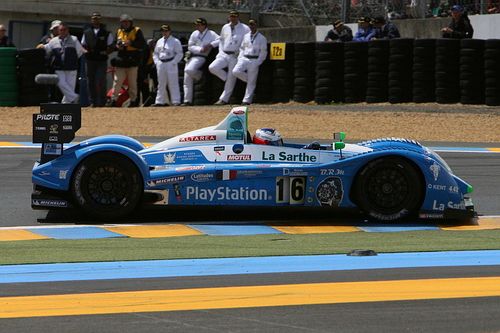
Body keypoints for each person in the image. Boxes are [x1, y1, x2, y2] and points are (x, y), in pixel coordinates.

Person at [209, 10, 250, 105]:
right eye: (231, 16)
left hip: (235, 55)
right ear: (229, 17)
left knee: (232, 77)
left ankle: (223, 99)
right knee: (212, 67)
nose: (233, 18)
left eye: (235, 16)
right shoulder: (225, 27)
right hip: (224, 54)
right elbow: (221, 41)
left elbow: (247, 42)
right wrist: (220, 52)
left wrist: (240, 53)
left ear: (238, 17)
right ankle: (228, 79)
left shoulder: (245, 28)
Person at [107, 14, 146, 107]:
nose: (125, 23)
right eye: (123, 22)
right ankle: (113, 100)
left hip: (132, 61)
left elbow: (142, 44)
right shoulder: (119, 31)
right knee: (117, 82)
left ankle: (133, 101)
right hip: (121, 61)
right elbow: (113, 45)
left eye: (127, 22)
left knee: (132, 83)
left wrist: (131, 43)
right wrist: (117, 46)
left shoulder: (137, 31)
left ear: (130, 22)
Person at [42, 22, 85, 103]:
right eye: (61, 30)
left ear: (68, 30)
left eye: (65, 30)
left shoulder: (74, 39)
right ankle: (75, 97)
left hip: (71, 67)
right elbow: (47, 48)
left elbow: (79, 52)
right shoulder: (53, 41)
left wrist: (71, 59)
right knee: (61, 83)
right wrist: (41, 46)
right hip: (59, 67)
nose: (63, 31)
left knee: (70, 88)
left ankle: (65, 104)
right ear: (58, 31)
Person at [182, 18, 219, 106]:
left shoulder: (211, 33)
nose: (197, 26)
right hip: (191, 55)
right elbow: (190, 46)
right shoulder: (194, 33)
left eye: (199, 25)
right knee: (186, 79)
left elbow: (220, 39)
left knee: (189, 70)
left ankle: (200, 76)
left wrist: (210, 45)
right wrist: (200, 49)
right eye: (197, 25)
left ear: (204, 25)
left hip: (201, 57)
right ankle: (187, 100)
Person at [81, 12, 114, 107]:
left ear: (100, 20)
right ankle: (93, 102)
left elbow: (111, 46)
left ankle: (102, 102)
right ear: (91, 20)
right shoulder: (86, 32)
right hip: (90, 60)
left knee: (101, 80)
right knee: (90, 81)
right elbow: (83, 45)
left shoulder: (106, 33)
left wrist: (106, 52)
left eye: (98, 18)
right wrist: (85, 51)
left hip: (101, 60)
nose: (96, 20)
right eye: (94, 18)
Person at [232, 19, 267, 105]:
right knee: (235, 71)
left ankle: (246, 100)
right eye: (250, 25)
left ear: (256, 25)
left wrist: (258, 62)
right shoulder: (246, 36)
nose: (251, 26)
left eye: (253, 24)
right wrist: (240, 57)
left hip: (254, 59)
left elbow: (263, 52)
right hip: (244, 58)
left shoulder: (262, 38)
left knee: (251, 82)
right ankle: (249, 80)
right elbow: (242, 48)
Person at [152, 24, 183, 107]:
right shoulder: (159, 41)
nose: (164, 32)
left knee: (173, 82)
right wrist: (157, 62)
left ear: (170, 31)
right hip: (161, 63)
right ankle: (159, 101)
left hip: (170, 62)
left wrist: (174, 62)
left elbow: (179, 53)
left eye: (166, 31)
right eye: (163, 31)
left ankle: (176, 101)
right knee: (161, 83)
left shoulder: (175, 41)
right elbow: (155, 53)